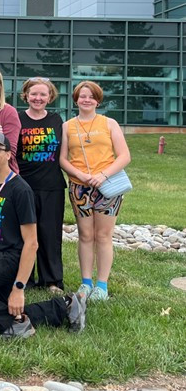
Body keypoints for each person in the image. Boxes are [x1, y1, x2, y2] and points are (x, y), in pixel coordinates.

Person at [0, 131, 87, 339]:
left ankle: (15, 326)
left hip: (11, 259)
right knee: (1, 308)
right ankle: (67, 305)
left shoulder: (21, 190)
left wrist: (19, 287)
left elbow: (31, 243)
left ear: (9, 154)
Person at [60, 81, 131, 302]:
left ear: (97, 100)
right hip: (79, 188)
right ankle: (86, 282)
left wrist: (103, 175)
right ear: (76, 99)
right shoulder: (67, 126)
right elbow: (62, 158)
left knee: (103, 235)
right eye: (82, 96)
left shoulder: (109, 123)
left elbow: (124, 156)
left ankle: (102, 285)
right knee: (85, 235)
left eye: (91, 96)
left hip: (107, 188)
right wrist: (81, 176)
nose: (86, 100)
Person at [16, 77, 67, 294]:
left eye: (42, 94)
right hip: (23, 186)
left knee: (50, 234)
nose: (38, 98)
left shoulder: (57, 120)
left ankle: (52, 280)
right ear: (26, 95)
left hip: (52, 186)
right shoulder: (17, 120)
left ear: (50, 97)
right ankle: (24, 279)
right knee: (22, 235)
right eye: (33, 94)